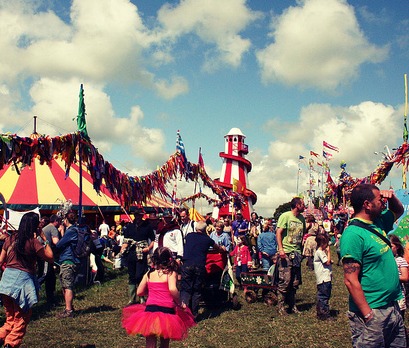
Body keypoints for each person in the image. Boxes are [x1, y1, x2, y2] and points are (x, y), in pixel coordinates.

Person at [340, 184, 406, 348]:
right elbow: (350, 280)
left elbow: (398, 211)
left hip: (392, 306)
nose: (383, 203)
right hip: (373, 310)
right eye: (379, 200)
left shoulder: (379, 221)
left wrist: (392, 198)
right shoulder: (353, 234)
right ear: (367, 205)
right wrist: (368, 315)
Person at [122, 247, 196, 348]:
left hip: (151, 309)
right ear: (169, 259)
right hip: (166, 310)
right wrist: (180, 302)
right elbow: (173, 289)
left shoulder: (149, 274)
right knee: (165, 341)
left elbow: (139, 292)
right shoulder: (170, 273)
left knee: (150, 342)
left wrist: (151, 291)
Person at [0, 212, 54, 348]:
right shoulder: (33, 242)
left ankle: (1, 338)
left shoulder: (10, 239)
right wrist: (44, 238)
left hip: (6, 283)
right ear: (35, 226)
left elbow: (1, 260)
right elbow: (50, 257)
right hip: (22, 284)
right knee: (21, 320)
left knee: (10, 319)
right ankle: (10, 344)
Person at [180, 220, 221, 319]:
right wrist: (222, 248)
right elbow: (217, 248)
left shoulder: (189, 236)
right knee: (197, 290)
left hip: (187, 264)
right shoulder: (207, 239)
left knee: (186, 288)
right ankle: (194, 314)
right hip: (199, 265)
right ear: (205, 229)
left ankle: (184, 311)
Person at [275, 196, 306, 315]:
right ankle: (281, 307)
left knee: (295, 281)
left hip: (296, 253)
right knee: (285, 280)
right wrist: (281, 249)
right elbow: (278, 232)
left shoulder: (301, 218)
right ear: (297, 205)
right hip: (286, 253)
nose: (304, 206)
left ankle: (292, 306)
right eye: (302, 204)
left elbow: (302, 234)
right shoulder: (285, 216)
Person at [120, 211, 155, 305]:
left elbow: (153, 240)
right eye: (136, 215)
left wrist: (148, 248)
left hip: (141, 253)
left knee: (139, 275)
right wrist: (121, 251)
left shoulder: (147, 226)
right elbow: (125, 241)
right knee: (131, 275)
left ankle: (141, 296)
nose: (138, 217)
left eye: (140, 215)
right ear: (134, 215)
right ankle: (132, 298)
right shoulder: (130, 226)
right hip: (131, 253)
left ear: (142, 216)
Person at [55, 210, 80, 319]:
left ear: (66, 220)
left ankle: (68, 310)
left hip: (68, 260)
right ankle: (69, 307)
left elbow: (59, 244)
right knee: (66, 284)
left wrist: (61, 232)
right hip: (70, 259)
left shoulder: (71, 231)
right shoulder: (74, 230)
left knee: (67, 285)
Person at [40, 214, 61, 308]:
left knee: (51, 277)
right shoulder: (53, 228)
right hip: (45, 255)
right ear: (56, 221)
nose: (60, 223)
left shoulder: (47, 227)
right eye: (59, 221)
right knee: (44, 275)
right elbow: (56, 242)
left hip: (43, 254)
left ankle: (51, 299)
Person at [313, 233, 333, 320]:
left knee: (325, 296)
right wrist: (328, 252)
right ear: (323, 243)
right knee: (323, 297)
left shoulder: (320, 253)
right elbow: (327, 262)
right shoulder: (320, 252)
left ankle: (321, 312)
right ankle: (324, 314)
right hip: (323, 279)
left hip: (325, 278)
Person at [389, 234, 409, 319]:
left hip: (398, 294)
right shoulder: (385, 260)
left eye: (391, 246)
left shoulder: (400, 260)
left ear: (397, 247)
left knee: (399, 318)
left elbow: (405, 277)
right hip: (387, 295)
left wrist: (390, 277)